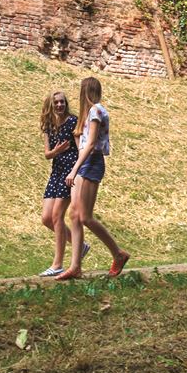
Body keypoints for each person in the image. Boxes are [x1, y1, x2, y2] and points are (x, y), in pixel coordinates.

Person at [55, 77, 130, 281]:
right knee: (74, 215)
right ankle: (75, 266)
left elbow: (90, 145)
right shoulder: (90, 113)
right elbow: (83, 142)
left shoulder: (96, 110)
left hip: (91, 162)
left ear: (86, 92)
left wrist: (73, 170)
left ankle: (118, 253)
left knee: (85, 216)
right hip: (85, 161)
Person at [39, 89, 89, 277]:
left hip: (70, 173)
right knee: (46, 218)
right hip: (56, 172)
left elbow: (81, 149)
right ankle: (80, 246)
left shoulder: (73, 122)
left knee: (56, 216)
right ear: (51, 105)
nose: (60, 105)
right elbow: (47, 154)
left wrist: (76, 172)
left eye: (62, 102)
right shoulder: (48, 125)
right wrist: (57, 150)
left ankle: (57, 264)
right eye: (56, 102)